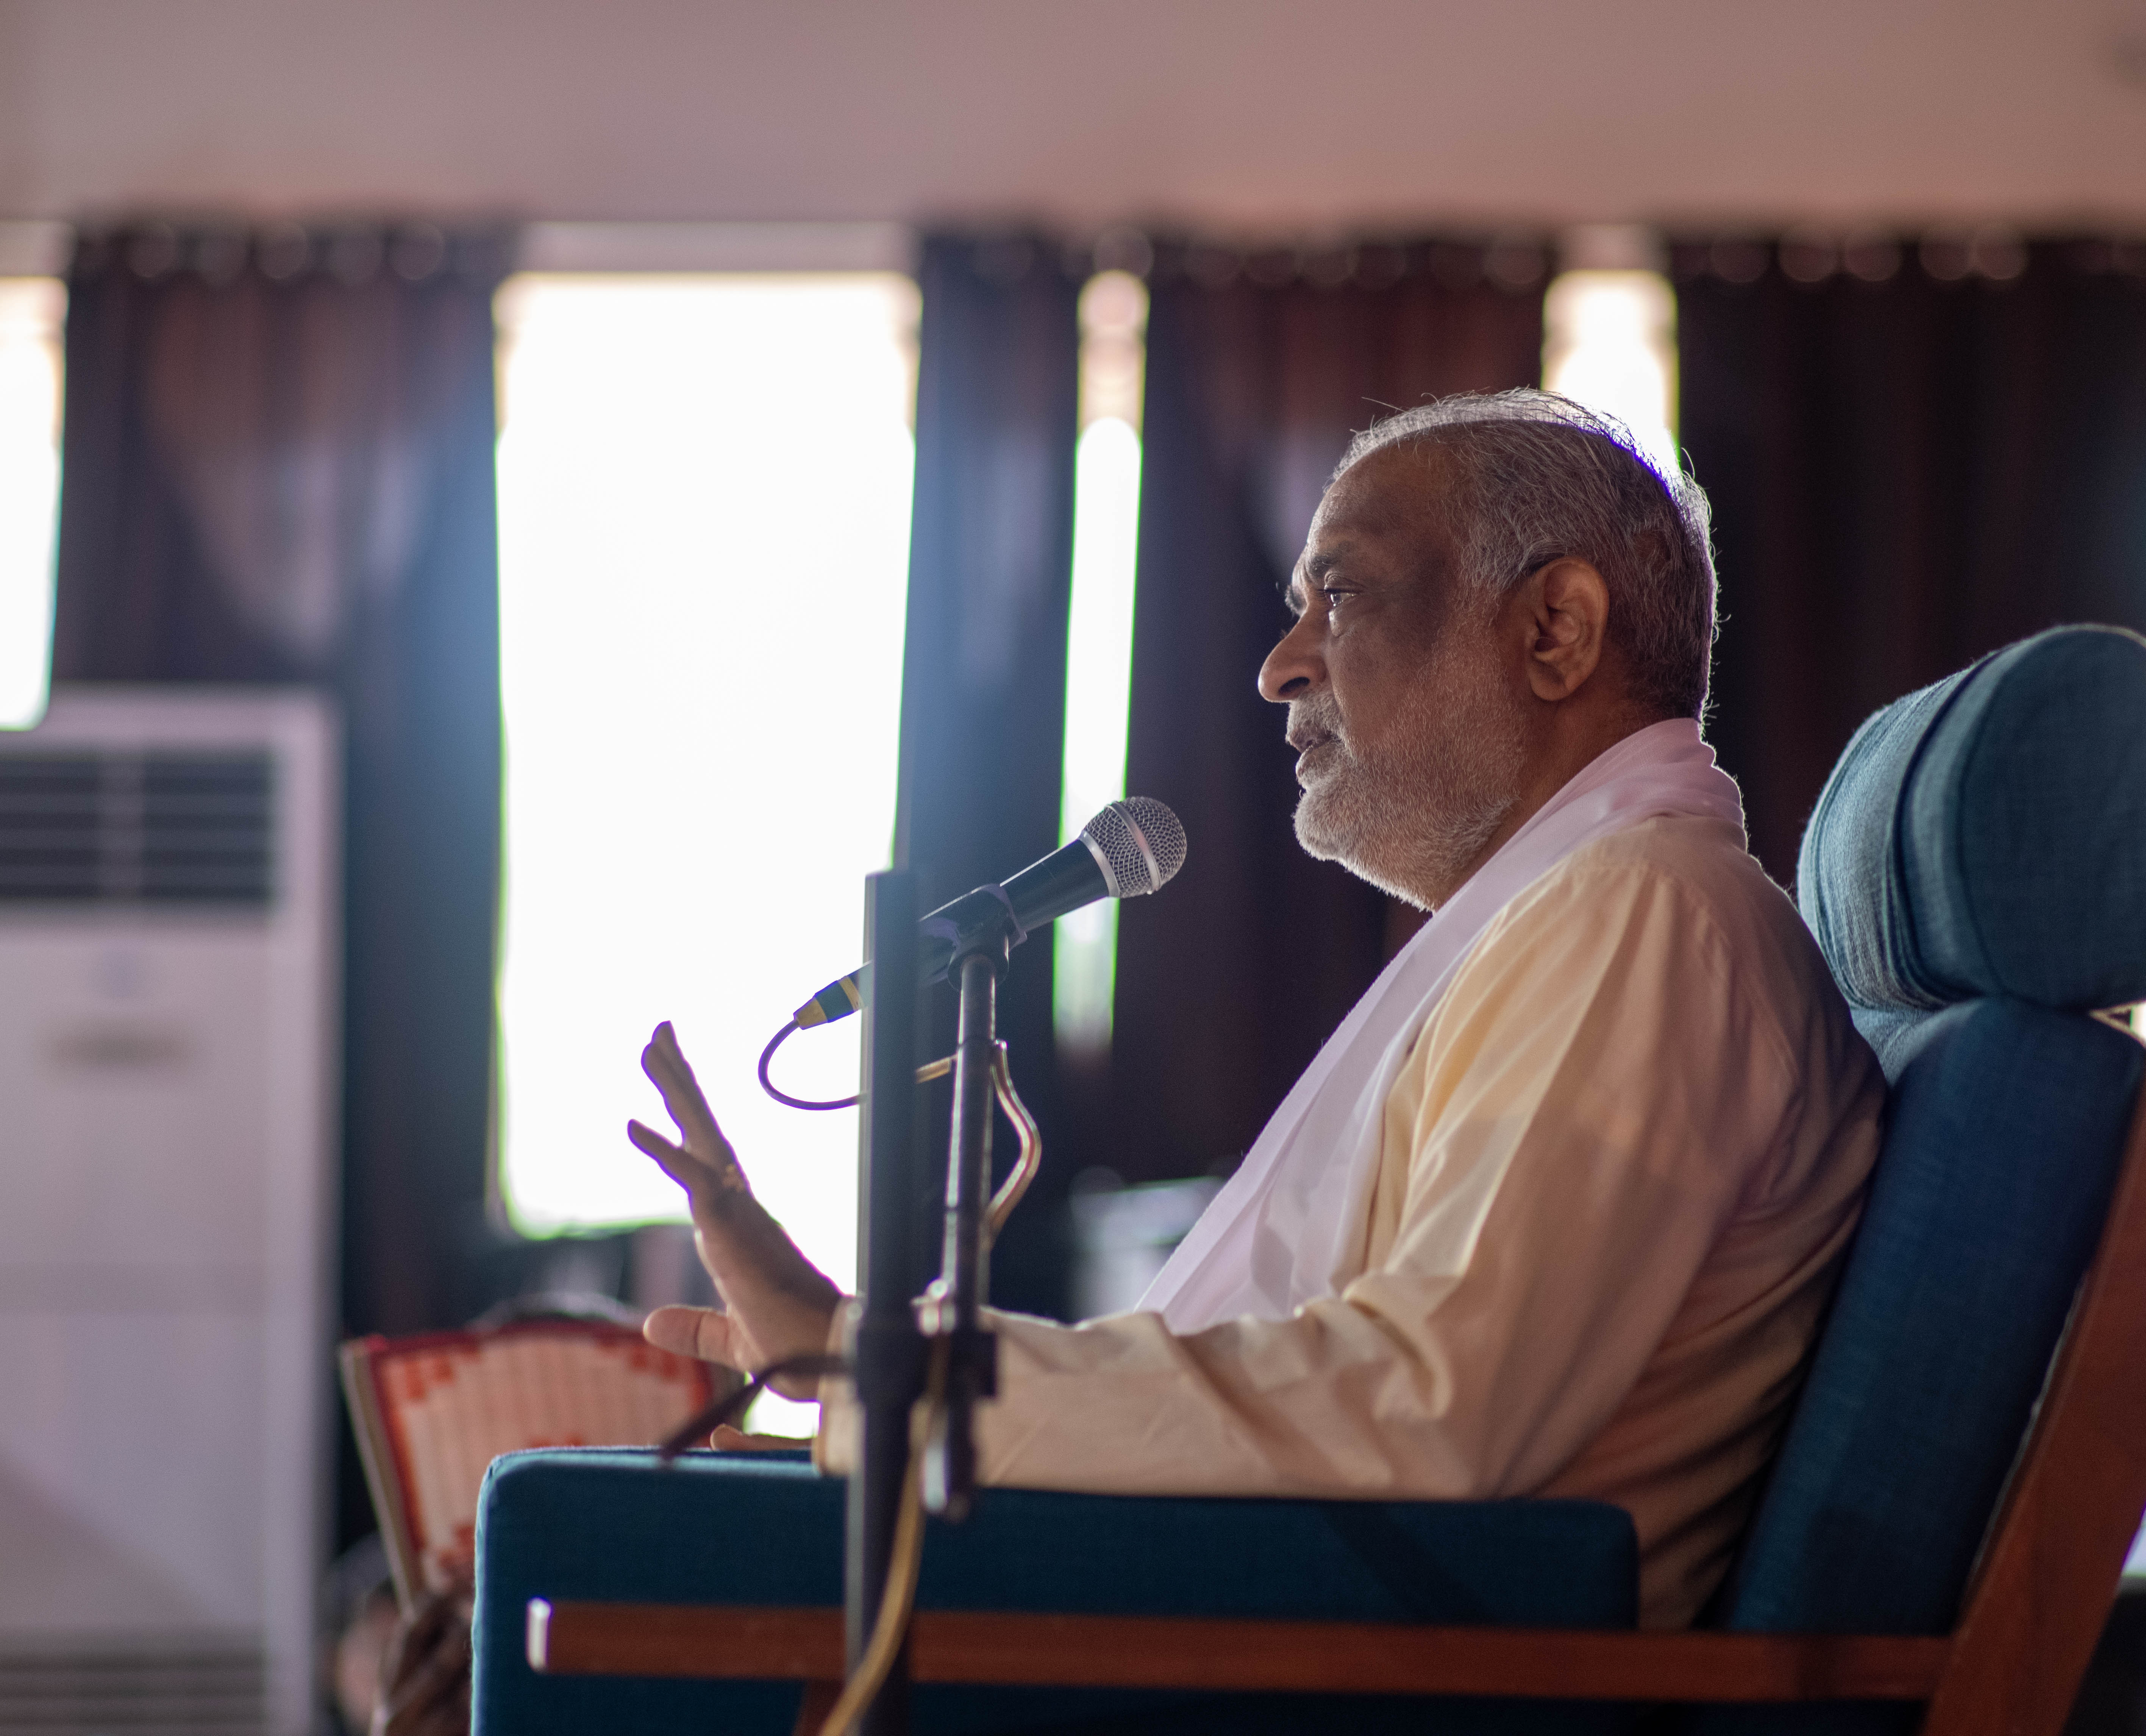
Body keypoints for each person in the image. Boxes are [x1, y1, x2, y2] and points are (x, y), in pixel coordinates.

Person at [630, 390, 1884, 1630]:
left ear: (1555, 630)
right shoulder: (1578, 916)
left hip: (1372, 1673)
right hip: (1289, 1620)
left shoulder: (1643, 915)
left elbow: (1430, 1404)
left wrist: (888, 1376)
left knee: (613, 1553)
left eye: (1339, 595)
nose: (1281, 666)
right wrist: (882, 1419)